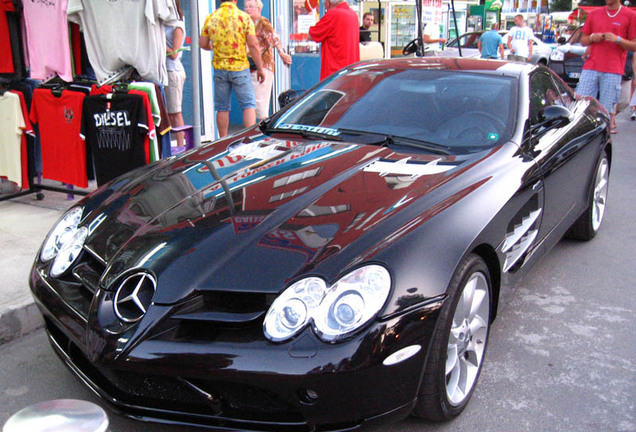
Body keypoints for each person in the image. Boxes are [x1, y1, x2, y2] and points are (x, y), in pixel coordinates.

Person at [200, 0, 265, 138]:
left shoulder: (211, 17)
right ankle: (249, 138)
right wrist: (260, 68)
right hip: (240, 67)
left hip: (219, 68)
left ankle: (222, 139)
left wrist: (214, 47)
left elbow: (203, 43)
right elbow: (253, 45)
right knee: (248, 105)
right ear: (235, 0)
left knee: (222, 108)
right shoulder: (243, 17)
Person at [576, 0, 636, 134]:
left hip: (613, 69)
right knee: (582, 104)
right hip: (591, 66)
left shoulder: (630, 16)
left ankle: (603, 141)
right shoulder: (594, 13)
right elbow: (583, 40)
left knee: (606, 111)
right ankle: (582, 135)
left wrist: (618, 40)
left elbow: (634, 45)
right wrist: (592, 37)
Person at [244, 0, 292, 121]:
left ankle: (261, 129)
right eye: (246, 7)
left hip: (263, 66)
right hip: (251, 66)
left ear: (258, 8)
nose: (247, 9)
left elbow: (274, 38)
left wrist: (281, 53)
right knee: (253, 102)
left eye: (251, 7)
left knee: (260, 103)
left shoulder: (262, 23)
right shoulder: (247, 24)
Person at [308, 0, 359, 80]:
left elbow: (311, 35)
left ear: (329, 2)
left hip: (334, 74)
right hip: (349, 71)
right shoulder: (353, 15)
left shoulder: (333, 14)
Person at [165, 0, 187, 147]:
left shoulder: (177, 26)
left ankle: (180, 144)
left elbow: (174, 53)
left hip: (173, 70)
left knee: (175, 111)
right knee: (167, 112)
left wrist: (159, 42)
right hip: (165, 70)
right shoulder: (165, 25)